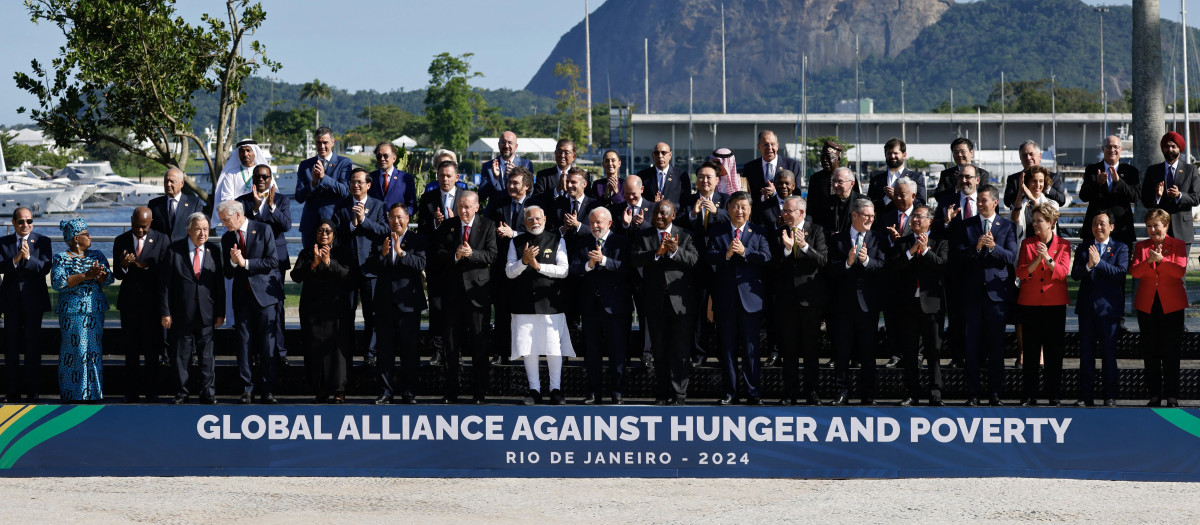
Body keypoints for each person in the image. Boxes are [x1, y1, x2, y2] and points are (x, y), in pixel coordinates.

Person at [953, 185, 1018, 406]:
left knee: (996, 347)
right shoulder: (966, 226)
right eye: (978, 200)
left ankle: (995, 393)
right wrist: (976, 247)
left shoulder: (1008, 226)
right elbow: (958, 255)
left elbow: (1011, 257)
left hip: (996, 296)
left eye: (983, 200)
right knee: (971, 346)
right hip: (972, 296)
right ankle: (973, 393)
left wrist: (993, 248)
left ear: (994, 202)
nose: (979, 204)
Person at [706, 192, 772, 405]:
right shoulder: (717, 232)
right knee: (727, 349)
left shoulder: (759, 232)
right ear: (728, 208)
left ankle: (753, 393)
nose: (739, 211)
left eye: (744, 207)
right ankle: (730, 392)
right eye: (735, 206)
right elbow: (707, 257)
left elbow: (766, 258)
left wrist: (745, 252)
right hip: (725, 300)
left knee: (752, 350)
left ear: (750, 210)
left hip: (750, 301)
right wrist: (725, 255)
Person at [506, 206, 575, 405]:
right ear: (524, 222)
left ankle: (555, 389)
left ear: (544, 219)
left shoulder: (556, 240)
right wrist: (524, 261)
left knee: (553, 348)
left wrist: (537, 266)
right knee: (528, 348)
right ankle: (534, 390)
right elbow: (509, 272)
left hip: (550, 303)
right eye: (530, 219)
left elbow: (563, 270)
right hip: (523, 303)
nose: (534, 221)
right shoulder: (516, 241)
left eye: (538, 218)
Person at [632, 199, 698, 405]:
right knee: (659, 351)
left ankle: (679, 394)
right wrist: (657, 253)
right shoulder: (644, 236)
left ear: (673, 215)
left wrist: (675, 251)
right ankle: (661, 394)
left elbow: (694, 260)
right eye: (656, 214)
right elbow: (635, 260)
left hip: (680, 303)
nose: (658, 217)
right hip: (655, 302)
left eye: (663, 213)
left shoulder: (685, 235)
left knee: (680, 351)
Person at [218, 200, 283, 404]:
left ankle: (267, 389)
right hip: (242, 299)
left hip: (265, 297)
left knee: (267, 345)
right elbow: (227, 273)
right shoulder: (226, 238)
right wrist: (232, 261)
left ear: (238, 215)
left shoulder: (263, 230)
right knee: (244, 344)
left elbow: (273, 261)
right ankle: (247, 388)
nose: (223, 224)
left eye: (225, 220)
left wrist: (244, 263)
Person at [435, 190, 497, 404]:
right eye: (460, 206)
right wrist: (455, 255)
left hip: (477, 295)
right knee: (451, 347)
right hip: (452, 294)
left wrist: (472, 254)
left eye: (468, 206)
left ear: (477, 207)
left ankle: (479, 392)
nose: (463, 210)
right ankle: (451, 391)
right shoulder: (448, 226)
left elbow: (492, 254)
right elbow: (438, 254)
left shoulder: (487, 225)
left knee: (480, 346)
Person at [160, 213, 225, 404]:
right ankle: (182, 392)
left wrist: (221, 312)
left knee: (207, 356)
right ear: (189, 230)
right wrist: (165, 312)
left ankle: (207, 392)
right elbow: (164, 285)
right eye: (198, 229)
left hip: (207, 313)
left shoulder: (213, 250)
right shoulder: (174, 250)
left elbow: (219, 284)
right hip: (181, 313)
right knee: (181, 356)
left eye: (205, 229)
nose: (202, 233)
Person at [826, 198, 885, 405]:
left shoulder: (877, 238)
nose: (870, 219)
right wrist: (848, 262)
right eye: (866, 215)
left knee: (868, 352)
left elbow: (882, 266)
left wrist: (866, 261)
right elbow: (829, 269)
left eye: (872, 216)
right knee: (842, 352)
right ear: (854, 215)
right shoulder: (837, 239)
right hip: (842, 304)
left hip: (868, 305)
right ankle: (841, 392)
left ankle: (867, 394)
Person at [769, 196, 827, 406]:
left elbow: (822, 260)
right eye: (784, 211)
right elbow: (772, 265)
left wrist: (803, 246)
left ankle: (812, 392)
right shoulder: (778, 233)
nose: (784, 214)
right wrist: (786, 249)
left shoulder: (817, 231)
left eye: (788, 211)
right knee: (789, 350)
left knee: (811, 350)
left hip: (809, 301)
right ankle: (790, 392)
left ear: (801, 213)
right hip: (786, 302)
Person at [571, 207, 632, 405]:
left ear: (609, 223)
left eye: (599, 222)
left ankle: (617, 392)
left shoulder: (621, 242)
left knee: (617, 352)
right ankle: (593, 393)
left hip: (615, 308)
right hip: (590, 307)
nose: (595, 226)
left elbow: (628, 270)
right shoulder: (583, 243)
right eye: (592, 223)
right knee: (592, 354)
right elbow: (573, 269)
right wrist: (588, 265)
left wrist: (604, 261)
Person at [368, 204, 427, 405]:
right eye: (392, 218)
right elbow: (369, 267)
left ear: (407, 218)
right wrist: (383, 254)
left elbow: (421, 264)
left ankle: (409, 392)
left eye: (400, 217)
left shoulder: (417, 240)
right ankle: (386, 392)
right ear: (387, 218)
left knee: (410, 351)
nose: (396, 221)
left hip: (408, 304)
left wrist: (401, 252)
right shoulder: (379, 239)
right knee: (384, 352)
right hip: (384, 304)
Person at [290, 220, 353, 403]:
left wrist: (328, 263)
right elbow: (296, 277)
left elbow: (349, 276)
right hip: (313, 311)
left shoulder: (342, 252)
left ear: (334, 234)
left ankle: (339, 390)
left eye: (328, 231)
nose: (324, 234)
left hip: (336, 311)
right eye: (320, 231)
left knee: (337, 353)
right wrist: (313, 264)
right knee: (314, 350)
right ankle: (320, 389)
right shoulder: (307, 252)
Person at [235, 164, 292, 367]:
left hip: (274, 262)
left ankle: (280, 352)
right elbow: (240, 227)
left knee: (276, 309)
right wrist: (256, 208)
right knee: (253, 311)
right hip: (250, 265)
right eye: (257, 176)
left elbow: (285, 225)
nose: (261, 179)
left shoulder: (282, 200)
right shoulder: (242, 202)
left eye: (265, 176)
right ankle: (258, 353)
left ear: (270, 179)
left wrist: (269, 207)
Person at [51, 218, 113, 403]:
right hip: (72, 312)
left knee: (93, 351)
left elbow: (109, 279)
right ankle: (73, 393)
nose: (90, 236)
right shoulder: (61, 258)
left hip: (94, 310)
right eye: (86, 234)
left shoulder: (97, 255)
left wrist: (100, 275)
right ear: (76, 238)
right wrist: (86, 276)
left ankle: (93, 393)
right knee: (75, 351)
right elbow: (58, 282)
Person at [889, 205, 946, 406]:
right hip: (908, 305)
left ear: (930, 220)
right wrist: (912, 251)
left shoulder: (940, 241)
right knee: (910, 352)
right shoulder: (904, 242)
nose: (915, 220)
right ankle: (912, 392)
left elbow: (943, 266)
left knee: (934, 351)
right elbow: (893, 267)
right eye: (913, 217)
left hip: (932, 305)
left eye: (919, 217)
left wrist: (926, 251)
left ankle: (935, 393)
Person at [1015, 203, 1071, 407]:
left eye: (1039, 220)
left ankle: (1054, 394)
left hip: (1054, 306)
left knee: (1054, 353)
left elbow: (1062, 273)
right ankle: (1029, 394)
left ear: (1051, 222)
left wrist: (1047, 259)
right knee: (1030, 353)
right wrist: (1037, 259)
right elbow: (1021, 273)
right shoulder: (1027, 244)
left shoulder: (1064, 245)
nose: (1035, 224)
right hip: (1030, 305)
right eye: (1034, 220)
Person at [112, 206, 170, 402]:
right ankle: (132, 392)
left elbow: (164, 272)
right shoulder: (121, 240)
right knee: (131, 351)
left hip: (152, 305)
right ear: (131, 221)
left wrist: (142, 265)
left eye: (144, 227)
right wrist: (125, 266)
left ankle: (152, 392)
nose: (139, 231)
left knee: (152, 352)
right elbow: (117, 275)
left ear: (150, 223)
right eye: (136, 226)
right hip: (129, 305)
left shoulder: (162, 240)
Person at [332, 168, 388, 367]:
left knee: (371, 313)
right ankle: (345, 353)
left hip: (370, 267)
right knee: (345, 312)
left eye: (360, 182)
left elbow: (384, 230)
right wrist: (352, 226)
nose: (356, 185)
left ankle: (370, 353)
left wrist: (364, 221)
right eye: (353, 182)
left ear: (368, 185)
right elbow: (335, 231)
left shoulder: (379, 206)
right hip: (347, 269)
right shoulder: (341, 206)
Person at [1071, 211, 1128, 407]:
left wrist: (1099, 263)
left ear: (1111, 226)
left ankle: (1109, 395)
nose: (1098, 227)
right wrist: (1088, 265)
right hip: (1087, 310)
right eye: (1095, 224)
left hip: (1108, 310)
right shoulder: (1084, 248)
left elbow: (1120, 273)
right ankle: (1086, 395)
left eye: (1102, 223)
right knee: (1086, 355)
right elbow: (1075, 274)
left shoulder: (1120, 247)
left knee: (1108, 355)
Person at [1131, 208, 1187, 408]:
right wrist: (1149, 260)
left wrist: (1162, 260)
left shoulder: (1178, 245)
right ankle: (1154, 394)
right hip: (1147, 305)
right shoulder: (1142, 247)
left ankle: (1172, 395)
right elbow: (1135, 272)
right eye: (1149, 226)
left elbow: (1179, 270)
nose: (1152, 229)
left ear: (1166, 226)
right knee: (1151, 352)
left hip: (1172, 304)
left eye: (1156, 225)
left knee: (1172, 351)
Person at [680, 161, 730, 366]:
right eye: (701, 177)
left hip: (720, 265)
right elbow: (679, 224)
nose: (705, 180)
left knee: (722, 311)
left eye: (709, 177)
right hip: (697, 265)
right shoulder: (688, 200)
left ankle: (722, 353)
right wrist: (693, 213)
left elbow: (736, 220)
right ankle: (699, 354)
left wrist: (717, 213)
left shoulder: (725, 200)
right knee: (698, 312)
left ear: (717, 180)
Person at [0, 207, 52, 403]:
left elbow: (45, 268)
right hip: (10, 302)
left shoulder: (42, 241)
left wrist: (29, 258)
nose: (25, 225)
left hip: (34, 302)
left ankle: (33, 391)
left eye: (29, 221)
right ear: (13, 222)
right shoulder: (3, 242)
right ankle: (12, 391)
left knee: (32, 347)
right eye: (21, 221)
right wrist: (15, 260)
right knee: (11, 348)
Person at [485, 166, 535, 365]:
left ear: (527, 187)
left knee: (523, 312)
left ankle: (523, 351)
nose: (510, 186)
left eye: (516, 183)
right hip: (501, 267)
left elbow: (538, 234)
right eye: (509, 182)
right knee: (502, 311)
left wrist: (513, 234)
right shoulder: (498, 204)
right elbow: (487, 228)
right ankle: (500, 352)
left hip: (526, 267)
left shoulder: (535, 207)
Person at [417, 160, 465, 366]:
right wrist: (436, 225)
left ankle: (457, 351)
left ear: (457, 177)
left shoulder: (466, 197)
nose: (445, 179)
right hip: (436, 261)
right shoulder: (428, 199)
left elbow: (473, 228)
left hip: (459, 261)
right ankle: (438, 350)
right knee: (436, 308)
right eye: (441, 175)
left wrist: (455, 223)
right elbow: (422, 230)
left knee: (457, 309)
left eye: (448, 175)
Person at [873, 177, 917, 369]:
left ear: (913, 196)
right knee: (892, 317)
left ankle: (917, 354)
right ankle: (895, 353)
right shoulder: (886, 217)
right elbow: (878, 244)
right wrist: (892, 241)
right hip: (892, 278)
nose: (898, 198)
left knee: (914, 319)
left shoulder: (920, 216)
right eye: (896, 194)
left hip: (914, 277)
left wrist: (902, 242)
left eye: (903, 194)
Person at [294, 126, 354, 248]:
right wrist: (313, 184)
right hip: (311, 225)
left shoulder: (344, 163)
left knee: (334, 264)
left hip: (335, 224)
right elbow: (299, 197)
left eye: (325, 142)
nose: (322, 146)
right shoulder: (305, 165)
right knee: (310, 263)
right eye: (318, 143)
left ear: (332, 142)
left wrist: (323, 177)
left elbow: (344, 191)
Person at [1141, 131, 1200, 248]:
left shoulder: (1190, 170)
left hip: (1182, 232)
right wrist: (1157, 196)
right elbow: (1145, 201)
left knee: (1180, 266)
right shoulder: (1153, 171)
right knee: (1159, 266)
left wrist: (1179, 195)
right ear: (1163, 149)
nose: (1170, 149)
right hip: (1159, 232)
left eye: (1174, 146)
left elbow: (1196, 198)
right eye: (1167, 146)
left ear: (1179, 149)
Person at [1080, 135, 1140, 249]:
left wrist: (1119, 181)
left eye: (1116, 147)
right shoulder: (1092, 170)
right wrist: (1097, 182)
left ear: (1121, 149)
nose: (1112, 150)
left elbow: (1135, 197)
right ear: (1103, 149)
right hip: (1095, 230)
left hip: (1122, 230)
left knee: (1122, 266)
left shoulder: (1131, 171)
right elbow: (1083, 196)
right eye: (1109, 147)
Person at [1003, 140, 1069, 209]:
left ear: (1040, 156)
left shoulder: (1052, 177)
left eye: (1031, 154)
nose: (1028, 158)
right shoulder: (1014, 179)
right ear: (1020, 158)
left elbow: (1062, 200)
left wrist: (1045, 186)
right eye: (1024, 155)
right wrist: (1022, 191)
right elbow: (1007, 202)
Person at [867, 138, 926, 211]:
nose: (892, 156)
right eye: (889, 153)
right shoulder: (875, 180)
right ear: (885, 155)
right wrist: (886, 198)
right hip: (883, 221)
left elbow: (921, 203)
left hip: (907, 221)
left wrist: (897, 197)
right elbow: (870, 205)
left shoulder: (916, 178)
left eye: (895, 153)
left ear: (904, 155)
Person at [743, 130, 801, 203]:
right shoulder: (749, 168)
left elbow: (797, 195)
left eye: (772, 144)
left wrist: (776, 193)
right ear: (759, 147)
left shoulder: (792, 165)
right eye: (765, 144)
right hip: (759, 212)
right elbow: (747, 196)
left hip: (784, 211)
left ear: (777, 146)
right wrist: (763, 197)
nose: (769, 148)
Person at [479, 131, 534, 206]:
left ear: (516, 146)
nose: (506, 146)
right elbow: (481, 195)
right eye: (503, 142)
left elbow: (530, 192)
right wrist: (495, 179)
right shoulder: (488, 166)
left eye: (510, 143)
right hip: (494, 213)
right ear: (498, 145)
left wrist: (517, 174)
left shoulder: (526, 165)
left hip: (518, 211)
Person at [148, 168, 203, 244]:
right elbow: (150, 230)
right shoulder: (154, 204)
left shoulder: (194, 203)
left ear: (182, 183)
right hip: (161, 251)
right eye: (166, 181)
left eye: (172, 181)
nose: (168, 184)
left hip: (183, 251)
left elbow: (198, 228)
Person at [213, 138, 270, 207]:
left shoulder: (264, 173)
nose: (245, 154)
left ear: (254, 152)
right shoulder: (230, 174)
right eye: (242, 151)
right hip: (237, 214)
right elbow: (226, 199)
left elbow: (270, 194)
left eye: (248, 150)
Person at [806, 140, 857, 216]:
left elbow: (856, 201)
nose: (825, 160)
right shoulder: (816, 178)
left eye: (828, 157)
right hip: (820, 223)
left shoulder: (849, 177)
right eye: (823, 158)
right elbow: (810, 204)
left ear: (838, 159)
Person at [1009, 166, 1059, 239]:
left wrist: (1033, 200)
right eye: (1034, 181)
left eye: (1041, 181)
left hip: (1044, 247)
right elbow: (1014, 218)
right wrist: (1020, 192)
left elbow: (1047, 222)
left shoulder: (1052, 204)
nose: (1038, 185)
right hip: (1024, 245)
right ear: (1027, 183)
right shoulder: (1018, 202)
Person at [637, 142, 692, 208]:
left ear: (670, 155)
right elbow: (639, 199)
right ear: (653, 155)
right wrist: (652, 205)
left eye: (663, 153)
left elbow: (686, 201)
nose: (660, 156)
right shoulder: (643, 175)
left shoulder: (681, 175)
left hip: (675, 216)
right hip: (651, 216)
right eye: (656, 153)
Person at [369, 141, 417, 215]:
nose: (382, 159)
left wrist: (399, 215)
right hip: (375, 224)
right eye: (379, 156)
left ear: (394, 158)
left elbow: (412, 206)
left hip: (397, 223)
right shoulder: (370, 177)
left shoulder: (406, 178)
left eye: (385, 156)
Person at [812, 167, 861, 238]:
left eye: (840, 182)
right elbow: (818, 226)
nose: (835, 185)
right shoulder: (826, 202)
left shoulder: (862, 202)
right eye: (834, 181)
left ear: (852, 183)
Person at [552, 167, 599, 238]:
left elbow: (599, 232)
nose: (569, 185)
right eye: (567, 182)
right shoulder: (558, 205)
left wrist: (577, 225)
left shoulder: (594, 206)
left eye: (573, 182)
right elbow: (550, 232)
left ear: (584, 184)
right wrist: (563, 228)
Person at [532, 139, 578, 204]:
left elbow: (586, 200)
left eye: (566, 153)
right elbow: (536, 198)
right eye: (559, 151)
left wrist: (569, 191)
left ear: (574, 156)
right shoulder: (543, 175)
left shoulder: (581, 176)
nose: (562, 155)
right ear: (555, 153)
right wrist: (556, 191)